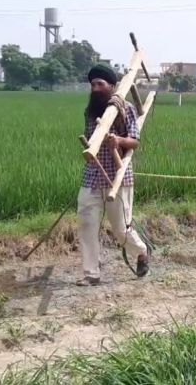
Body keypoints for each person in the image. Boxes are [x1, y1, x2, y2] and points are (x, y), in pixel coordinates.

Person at [76, 64, 150, 286]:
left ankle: (141, 252)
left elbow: (135, 141)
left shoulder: (126, 109)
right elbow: (90, 141)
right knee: (87, 224)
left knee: (120, 228)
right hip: (93, 176)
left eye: (100, 84)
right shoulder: (90, 112)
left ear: (111, 86)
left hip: (119, 177)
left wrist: (118, 141)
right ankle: (91, 273)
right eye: (93, 85)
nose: (96, 88)